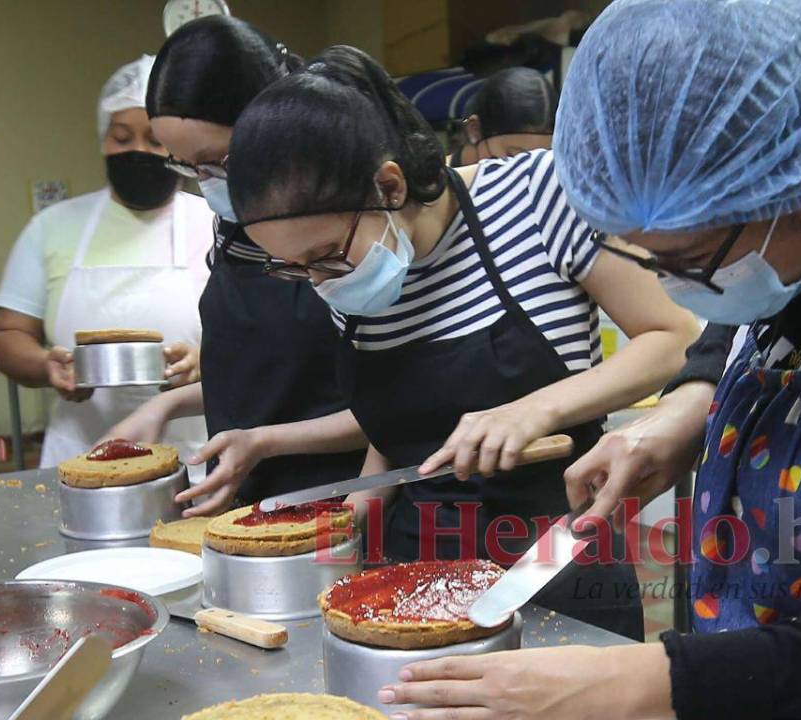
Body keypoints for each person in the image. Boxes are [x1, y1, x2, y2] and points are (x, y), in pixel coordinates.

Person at [378, 1, 801, 718]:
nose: (676, 289)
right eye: (650, 259)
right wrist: (689, 409)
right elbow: (741, 323)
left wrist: (642, 682)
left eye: (688, 263)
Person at [227, 45, 701, 637]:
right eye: (295, 268)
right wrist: (360, 505)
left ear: (390, 185)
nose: (320, 281)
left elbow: (673, 338)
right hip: (412, 568)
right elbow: (403, 415)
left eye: (325, 255)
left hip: (553, 557)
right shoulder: (347, 277)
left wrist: (534, 409)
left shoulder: (536, 196)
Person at [107, 16, 367, 516]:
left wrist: (263, 442)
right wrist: (165, 405)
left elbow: (403, 409)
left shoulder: (349, 231)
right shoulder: (234, 232)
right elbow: (261, 382)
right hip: (245, 505)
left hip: (342, 504)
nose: (206, 183)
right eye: (186, 165)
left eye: (217, 162)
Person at [0, 55, 212, 470]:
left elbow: (265, 340)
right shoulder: (53, 227)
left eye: (155, 139)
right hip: (78, 458)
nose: (138, 151)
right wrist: (44, 365)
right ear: (103, 140)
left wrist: (209, 361)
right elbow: (8, 335)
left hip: (196, 462)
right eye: (122, 138)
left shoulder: (216, 225)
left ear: (179, 147)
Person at [450, 66, 556, 167]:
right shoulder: (442, 178)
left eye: (542, 160)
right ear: (474, 130)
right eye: (514, 157)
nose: (530, 171)